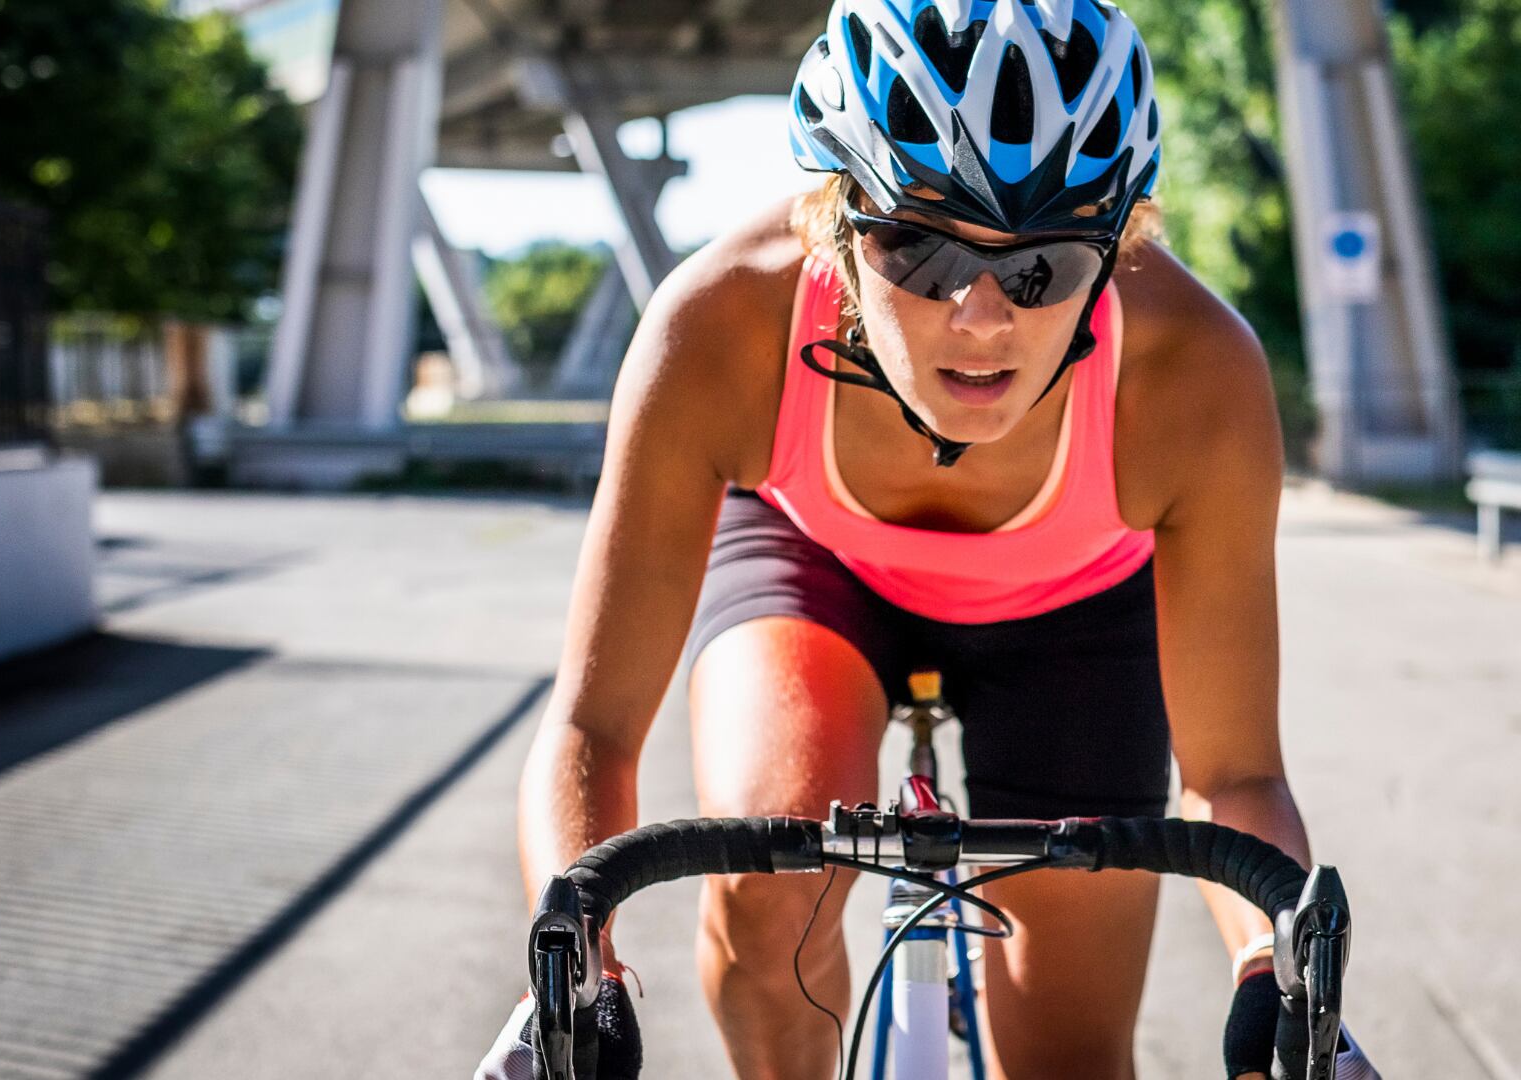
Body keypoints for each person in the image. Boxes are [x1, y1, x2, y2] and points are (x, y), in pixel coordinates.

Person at [481, 1, 1379, 1076]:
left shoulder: (1197, 375)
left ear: (1118, 244)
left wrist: (1272, 977)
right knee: (773, 892)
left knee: (1071, 1056)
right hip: (815, 568)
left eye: (1042, 264)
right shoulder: (717, 324)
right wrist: (581, 979)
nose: (982, 316)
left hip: (1075, 616)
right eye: (919, 249)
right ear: (834, 218)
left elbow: (1235, 773)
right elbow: (593, 725)